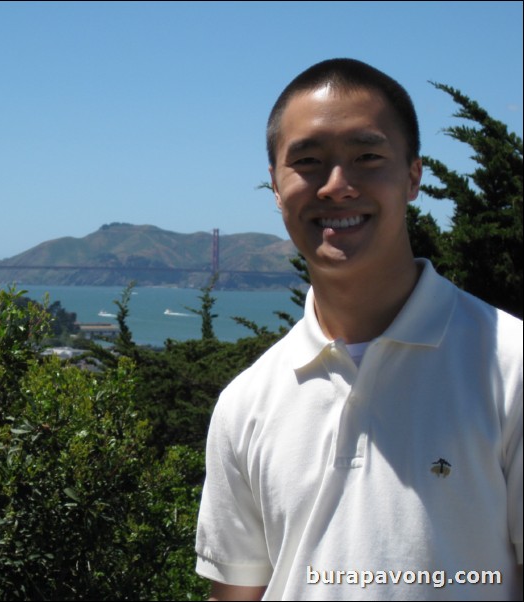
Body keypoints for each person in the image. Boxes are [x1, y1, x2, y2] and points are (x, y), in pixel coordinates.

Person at [194, 58, 523, 601]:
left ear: (414, 175)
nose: (337, 186)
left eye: (367, 157)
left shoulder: (509, 366)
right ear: (275, 188)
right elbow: (237, 592)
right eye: (308, 162)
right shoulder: (245, 402)